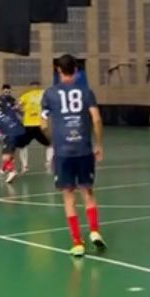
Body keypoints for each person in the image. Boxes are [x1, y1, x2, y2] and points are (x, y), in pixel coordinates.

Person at [40, 54, 105, 257]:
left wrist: (54, 141)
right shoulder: (86, 92)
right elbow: (96, 119)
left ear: (58, 70)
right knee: (88, 191)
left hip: (63, 151)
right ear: (76, 71)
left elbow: (43, 125)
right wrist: (98, 144)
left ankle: (77, 242)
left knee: (68, 196)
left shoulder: (49, 94)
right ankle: (94, 231)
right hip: (84, 149)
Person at [0, 98, 25, 184]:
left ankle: (11, 171)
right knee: (10, 151)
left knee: (5, 156)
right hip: (22, 133)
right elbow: (20, 114)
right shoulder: (9, 109)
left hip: (11, 135)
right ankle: (5, 168)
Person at [17, 81, 54, 173]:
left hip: (28, 125)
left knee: (22, 146)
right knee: (49, 144)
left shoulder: (25, 95)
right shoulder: (44, 93)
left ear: (30, 86)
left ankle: (25, 166)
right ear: (39, 86)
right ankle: (48, 163)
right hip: (39, 125)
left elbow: (17, 106)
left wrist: (23, 111)